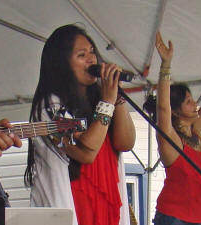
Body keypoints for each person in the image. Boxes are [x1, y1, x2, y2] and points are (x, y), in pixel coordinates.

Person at [24, 24, 136, 225]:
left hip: (106, 203)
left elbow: (125, 143)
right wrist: (108, 103)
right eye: (82, 55)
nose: (92, 59)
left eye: (92, 52)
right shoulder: (49, 105)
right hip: (75, 205)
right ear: (62, 63)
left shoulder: (102, 100)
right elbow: (86, 152)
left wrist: (116, 97)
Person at [150, 26, 201, 224]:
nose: (195, 104)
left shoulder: (196, 132)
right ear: (175, 110)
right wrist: (165, 66)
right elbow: (162, 110)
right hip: (175, 218)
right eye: (188, 101)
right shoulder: (171, 140)